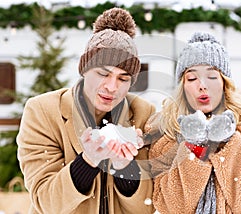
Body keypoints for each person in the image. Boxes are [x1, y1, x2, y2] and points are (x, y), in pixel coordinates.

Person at [17, 8, 156, 214]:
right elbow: (46, 202)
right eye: (103, 73)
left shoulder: (143, 114)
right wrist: (88, 160)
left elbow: (146, 208)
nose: (112, 87)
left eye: (123, 78)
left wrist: (125, 167)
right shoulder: (43, 112)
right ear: (84, 70)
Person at [149, 32, 241, 213]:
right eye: (192, 78)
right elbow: (169, 206)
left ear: (224, 82)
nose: (202, 85)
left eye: (212, 76)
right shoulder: (166, 128)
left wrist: (227, 144)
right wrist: (195, 148)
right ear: (182, 86)